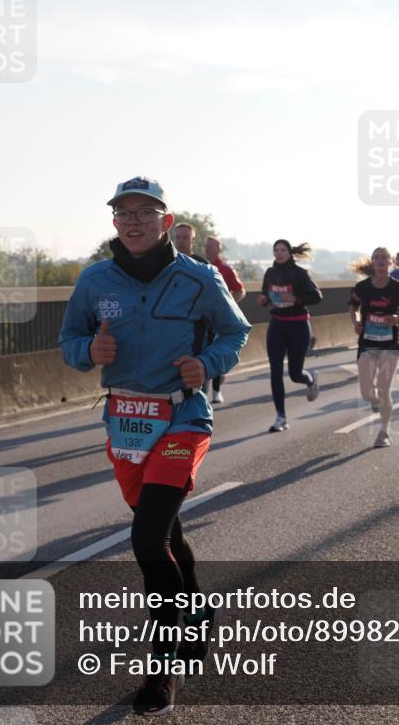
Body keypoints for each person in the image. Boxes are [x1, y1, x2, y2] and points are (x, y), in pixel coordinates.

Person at [59, 177, 251, 715]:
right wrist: (89, 351)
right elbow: (69, 341)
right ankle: (197, 609)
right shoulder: (94, 280)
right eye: (124, 213)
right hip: (125, 423)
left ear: (166, 222)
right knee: (165, 530)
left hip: (182, 419)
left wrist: (206, 364)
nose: (134, 221)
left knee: (147, 539)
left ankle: (163, 671)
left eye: (145, 212)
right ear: (114, 222)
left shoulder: (198, 277)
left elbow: (235, 332)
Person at [349, 247, 399, 448]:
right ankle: (374, 400)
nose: (380, 261)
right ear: (372, 262)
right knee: (366, 393)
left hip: (390, 344)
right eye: (376, 258)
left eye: (384, 258)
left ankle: (384, 432)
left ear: (390, 262)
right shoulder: (362, 287)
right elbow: (353, 307)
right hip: (367, 343)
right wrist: (356, 323)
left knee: (383, 388)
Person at [258, 239, 322, 432]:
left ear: (289, 253)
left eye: (283, 250)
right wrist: (263, 300)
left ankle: (310, 379)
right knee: (275, 371)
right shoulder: (270, 273)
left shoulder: (299, 274)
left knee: (295, 374)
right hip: (277, 325)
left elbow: (317, 296)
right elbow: (266, 295)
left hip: (298, 325)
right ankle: (281, 417)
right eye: (276, 250)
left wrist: (296, 298)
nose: (279, 253)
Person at [204, 236, 247, 403]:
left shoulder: (226, 269)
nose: (208, 249)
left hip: (219, 320)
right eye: (206, 246)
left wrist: (228, 306)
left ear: (219, 249)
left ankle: (216, 391)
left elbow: (240, 290)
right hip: (202, 319)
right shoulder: (199, 266)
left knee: (216, 352)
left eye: (211, 246)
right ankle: (203, 391)